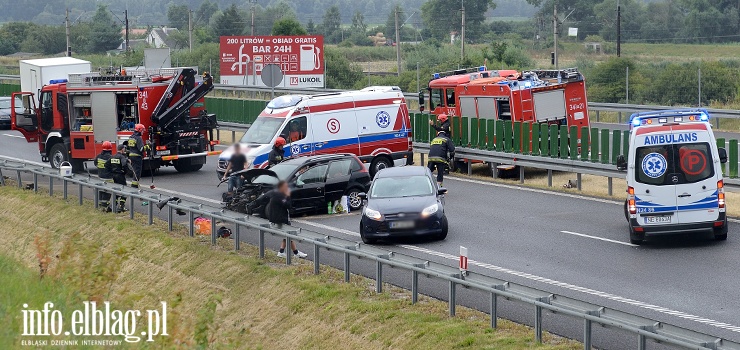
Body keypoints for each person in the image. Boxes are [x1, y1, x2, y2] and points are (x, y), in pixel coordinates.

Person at [252, 180, 307, 259]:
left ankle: (284, 252)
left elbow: (261, 199)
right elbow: (288, 206)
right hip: (280, 220)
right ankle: (293, 253)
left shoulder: (273, 192)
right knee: (289, 235)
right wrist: (288, 196)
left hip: (274, 219)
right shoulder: (281, 196)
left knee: (288, 236)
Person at [106, 144, 130, 212]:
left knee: (116, 189)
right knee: (124, 189)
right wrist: (124, 172)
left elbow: (106, 164)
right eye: (124, 149)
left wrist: (111, 171)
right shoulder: (121, 157)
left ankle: (114, 205)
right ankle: (121, 206)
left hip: (114, 176)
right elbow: (124, 164)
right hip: (120, 175)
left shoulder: (113, 156)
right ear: (122, 149)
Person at [126, 124, 149, 188]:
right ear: (139, 130)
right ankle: (134, 187)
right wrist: (148, 146)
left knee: (135, 171)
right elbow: (141, 149)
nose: (143, 132)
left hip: (132, 156)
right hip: (137, 157)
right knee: (137, 173)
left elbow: (128, 148)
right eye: (142, 130)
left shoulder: (131, 137)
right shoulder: (138, 138)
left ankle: (134, 185)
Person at [94, 141, 114, 211]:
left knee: (101, 190)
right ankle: (105, 206)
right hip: (108, 178)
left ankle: (100, 204)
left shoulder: (98, 156)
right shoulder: (111, 158)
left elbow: (95, 163)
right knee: (107, 192)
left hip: (100, 176)